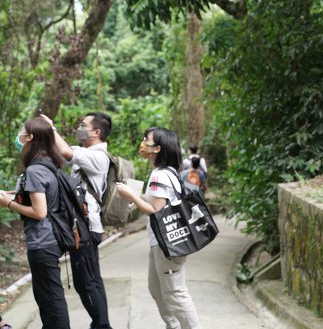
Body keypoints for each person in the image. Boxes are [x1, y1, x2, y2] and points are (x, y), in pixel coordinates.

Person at [116, 127, 201, 329]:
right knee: (156, 288)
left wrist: (131, 196)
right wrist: (136, 193)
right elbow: (159, 202)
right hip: (162, 243)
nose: (143, 143)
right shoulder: (166, 172)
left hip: (167, 244)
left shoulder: (160, 176)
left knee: (175, 293)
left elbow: (155, 209)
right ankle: (173, 326)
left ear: (157, 149)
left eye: (147, 140)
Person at [42, 112, 112, 329]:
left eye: (84, 125)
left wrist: (51, 128)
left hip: (87, 228)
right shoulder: (87, 153)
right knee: (90, 281)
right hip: (81, 227)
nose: (79, 128)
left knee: (88, 282)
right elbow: (61, 153)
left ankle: (102, 326)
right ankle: (101, 324)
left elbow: (65, 151)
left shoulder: (98, 157)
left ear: (96, 132)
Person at [0, 117, 70, 328]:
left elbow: (39, 211)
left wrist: (8, 203)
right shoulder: (48, 163)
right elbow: (41, 196)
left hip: (42, 241)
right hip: (51, 241)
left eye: (22, 132)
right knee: (48, 296)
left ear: (30, 138)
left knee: (50, 298)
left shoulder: (34, 170)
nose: (18, 137)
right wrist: (13, 195)